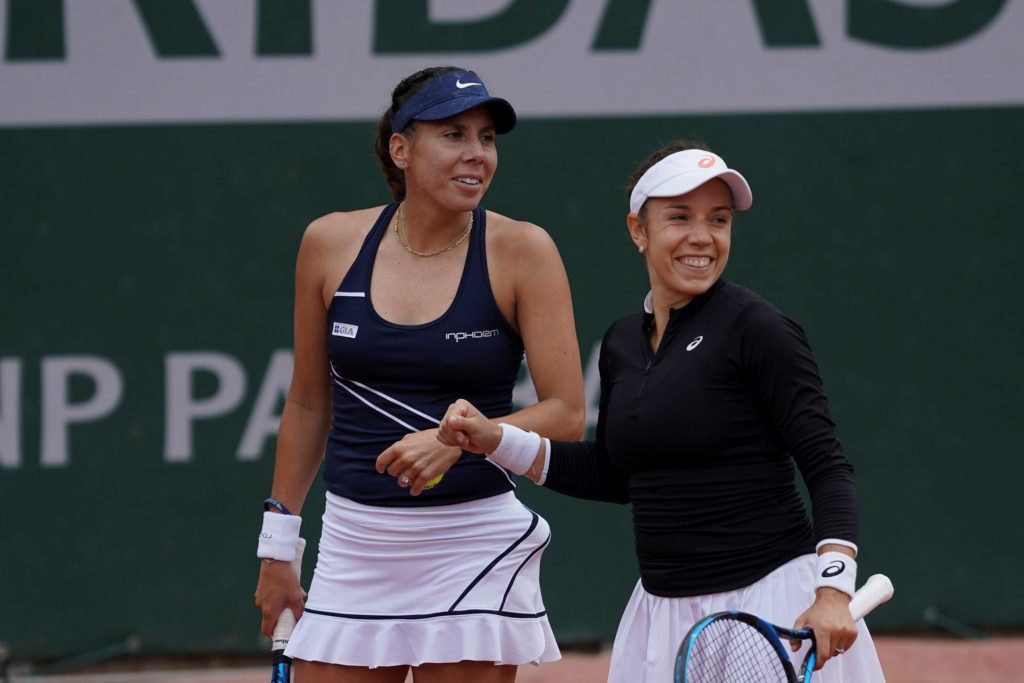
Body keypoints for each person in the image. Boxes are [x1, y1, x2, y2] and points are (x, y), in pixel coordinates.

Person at [437, 140, 887, 682]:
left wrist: (834, 590)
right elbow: (615, 473)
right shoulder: (624, 342)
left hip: (770, 602)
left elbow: (828, 467)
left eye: (718, 220)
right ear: (639, 231)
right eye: (680, 218)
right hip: (663, 611)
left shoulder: (759, 329)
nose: (702, 236)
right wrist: (497, 441)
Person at [253, 66, 585, 683]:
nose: (477, 154)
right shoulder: (328, 243)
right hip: (354, 543)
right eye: (454, 134)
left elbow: (566, 412)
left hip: (471, 544)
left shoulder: (524, 251)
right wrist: (278, 548)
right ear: (400, 149)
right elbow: (306, 404)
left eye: (487, 138)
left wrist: (456, 440)